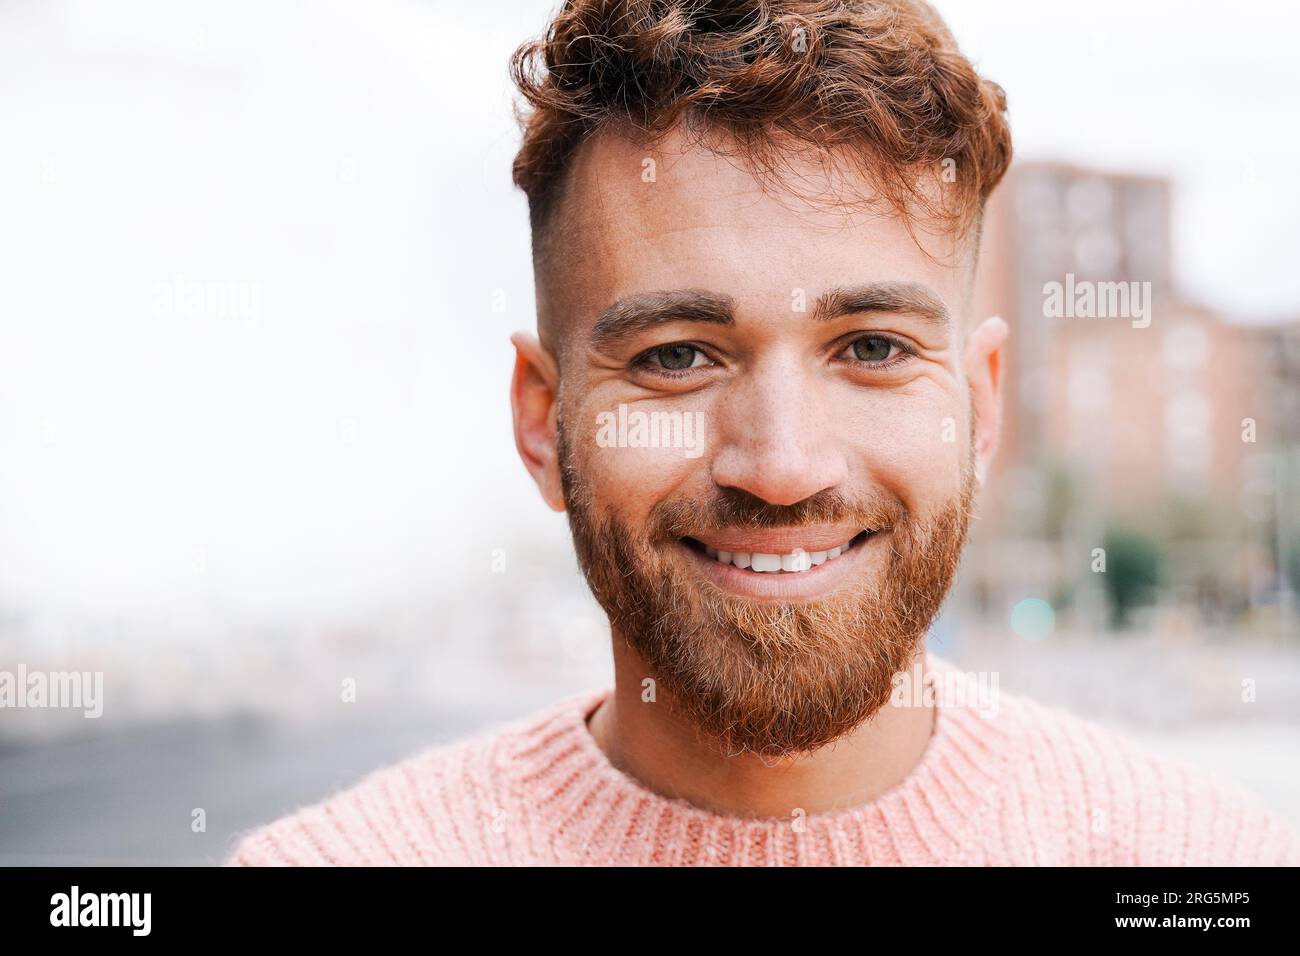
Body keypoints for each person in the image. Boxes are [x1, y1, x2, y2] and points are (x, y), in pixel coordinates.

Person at [226, 0, 1300, 866]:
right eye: (678, 354)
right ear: (542, 420)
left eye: (872, 348)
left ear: (980, 402)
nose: (783, 466)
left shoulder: (1200, 860)